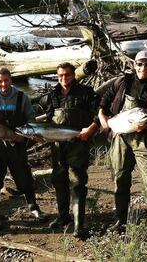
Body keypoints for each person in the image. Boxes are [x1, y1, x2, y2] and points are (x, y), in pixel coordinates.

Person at [99, 50, 147, 243]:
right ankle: (120, 220)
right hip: (120, 136)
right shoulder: (122, 82)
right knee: (120, 177)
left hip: (145, 139)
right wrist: (103, 119)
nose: (143, 68)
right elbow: (103, 103)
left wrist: (145, 124)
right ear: (134, 65)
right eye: (139, 64)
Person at [0, 67, 48, 229]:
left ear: (11, 80)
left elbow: (31, 119)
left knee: (24, 176)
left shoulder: (21, 97)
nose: (3, 84)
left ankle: (34, 207)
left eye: (6, 80)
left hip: (17, 143)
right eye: (0, 81)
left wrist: (22, 136)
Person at [39, 62, 100, 239]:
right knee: (58, 179)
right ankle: (63, 216)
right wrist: (41, 135)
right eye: (60, 76)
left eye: (67, 75)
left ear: (74, 75)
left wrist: (91, 129)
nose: (64, 78)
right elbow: (49, 121)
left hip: (79, 144)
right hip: (58, 145)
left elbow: (99, 113)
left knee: (78, 182)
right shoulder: (52, 95)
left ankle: (79, 225)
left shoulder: (87, 93)